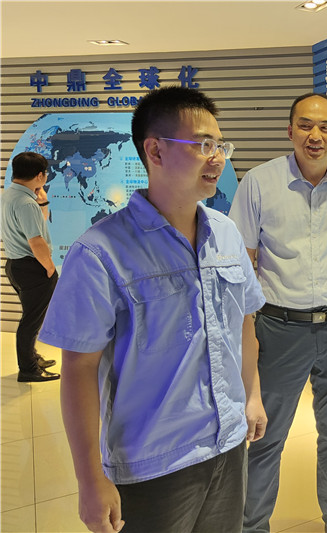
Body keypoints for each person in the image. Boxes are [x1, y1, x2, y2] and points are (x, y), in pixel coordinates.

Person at [37, 86, 268, 533]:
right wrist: (90, 480)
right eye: (203, 145)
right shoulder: (100, 252)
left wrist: (252, 395)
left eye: (221, 145)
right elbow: (79, 370)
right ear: (155, 151)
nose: (218, 158)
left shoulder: (226, 233)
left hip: (227, 443)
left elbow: (244, 323)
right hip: (153, 463)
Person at [229, 92, 327, 533]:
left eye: (325, 127)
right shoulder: (259, 183)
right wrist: (247, 331)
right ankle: (253, 525)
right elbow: (243, 261)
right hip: (280, 328)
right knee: (266, 435)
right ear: (290, 130)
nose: (315, 135)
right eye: (305, 125)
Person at [2, 152, 59, 382]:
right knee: (31, 322)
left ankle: (31, 359)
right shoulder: (26, 203)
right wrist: (50, 268)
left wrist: (42, 201)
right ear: (39, 175)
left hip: (15, 266)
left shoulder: (10, 195)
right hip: (32, 268)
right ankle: (28, 370)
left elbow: (38, 224)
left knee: (31, 317)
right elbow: (36, 241)